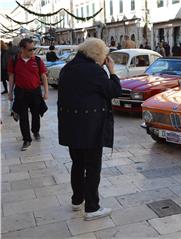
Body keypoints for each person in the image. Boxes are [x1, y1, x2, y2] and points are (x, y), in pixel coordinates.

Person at [57, 38, 122, 221]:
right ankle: (92, 208)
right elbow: (114, 91)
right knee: (93, 167)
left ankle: (77, 200)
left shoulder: (67, 68)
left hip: (71, 127)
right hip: (91, 128)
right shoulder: (94, 71)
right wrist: (112, 72)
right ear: (97, 54)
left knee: (77, 164)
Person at [7, 38, 49, 151]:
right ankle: (26, 139)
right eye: (30, 49)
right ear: (22, 49)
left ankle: (35, 131)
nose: (33, 52)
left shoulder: (37, 60)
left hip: (35, 92)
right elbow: (11, 77)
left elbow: (44, 76)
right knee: (23, 117)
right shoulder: (14, 60)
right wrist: (10, 92)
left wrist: (46, 92)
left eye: (33, 49)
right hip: (21, 92)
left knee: (36, 114)